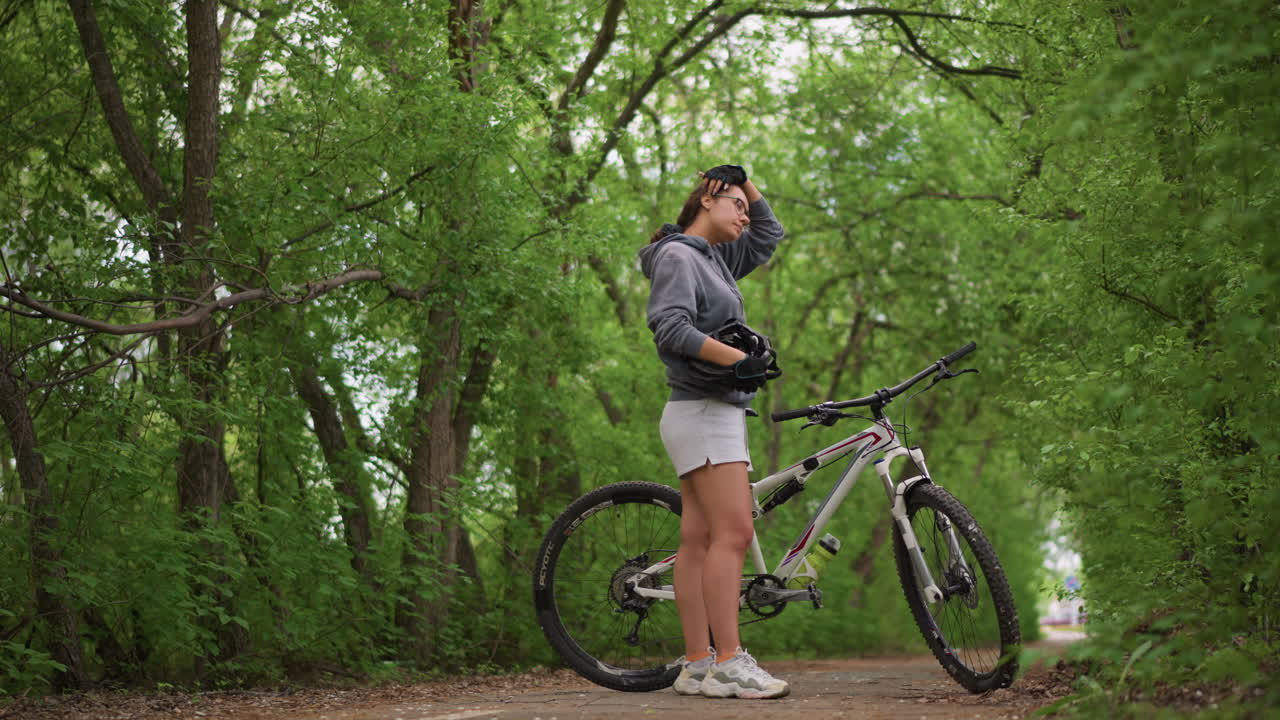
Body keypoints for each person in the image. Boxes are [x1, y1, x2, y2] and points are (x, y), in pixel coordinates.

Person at [636, 165, 789, 699]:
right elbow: (670, 326)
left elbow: (771, 234)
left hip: (707, 411)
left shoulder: (715, 260)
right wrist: (741, 360)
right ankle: (729, 660)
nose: (747, 212)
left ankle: (698, 665)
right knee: (735, 535)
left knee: (698, 541)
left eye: (747, 203)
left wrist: (743, 181)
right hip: (704, 408)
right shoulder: (680, 256)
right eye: (735, 203)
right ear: (705, 199)